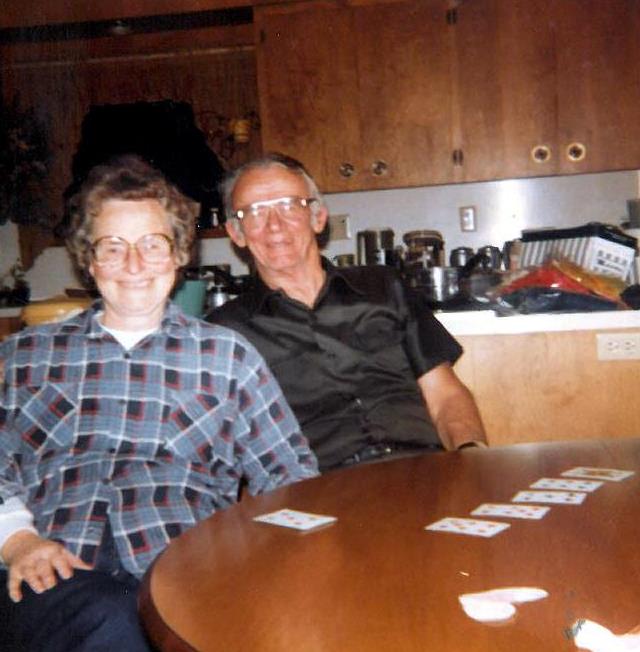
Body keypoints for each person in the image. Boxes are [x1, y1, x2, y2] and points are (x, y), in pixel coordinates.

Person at [0, 154, 318, 652]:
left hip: (188, 572)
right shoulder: (25, 355)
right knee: (115, 621)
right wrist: (18, 540)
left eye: (152, 244)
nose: (134, 265)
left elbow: (290, 475)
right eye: (113, 247)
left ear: (178, 254)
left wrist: (266, 558)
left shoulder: (227, 356)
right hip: (49, 574)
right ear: (89, 260)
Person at [207, 153, 488, 472]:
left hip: (423, 468)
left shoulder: (384, 287)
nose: (274, 225)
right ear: (236, 233)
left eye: (288, 205)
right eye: (255, 212)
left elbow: (445, 395)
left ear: (318, 217)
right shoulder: (226, 333)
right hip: (318, 486)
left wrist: (469, 454)